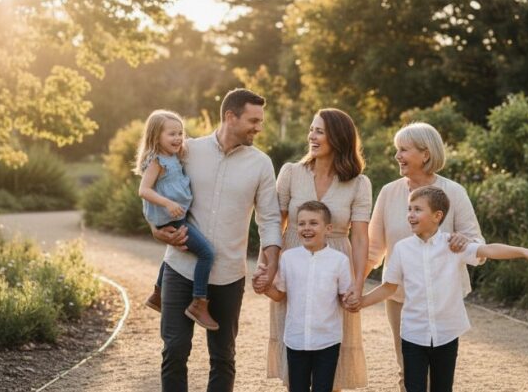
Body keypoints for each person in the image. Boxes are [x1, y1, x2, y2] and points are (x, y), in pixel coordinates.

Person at [351, 186, 528, 392]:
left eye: (418, 210)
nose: (410, 215)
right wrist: (360, 302)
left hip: (446, 334)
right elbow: (389, 287)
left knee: (442, 387)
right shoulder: (402, 249)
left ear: (437, 216)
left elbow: (488, 249)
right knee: (413, 387)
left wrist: (523, 252)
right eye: (409, 209)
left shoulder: (453, 245)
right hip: (413, 335)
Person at [151, 88, 283, 392]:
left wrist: (271, 262)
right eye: (253, 120)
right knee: (174, 350)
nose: (259, 127)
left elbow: (270, 219)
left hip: (228, 275)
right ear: (230, 116)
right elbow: (157, 192)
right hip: (181, 267)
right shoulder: (188, 150)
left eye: (260, 121)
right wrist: (155, 230)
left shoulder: (261, 164)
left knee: (223, 358)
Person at [255, 108, 371, 390]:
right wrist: (265, 267)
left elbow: (359, 238)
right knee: (293, 337)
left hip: (336, 264)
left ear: (338, 137)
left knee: (333, 351)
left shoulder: (359, 183)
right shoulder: (291, 173)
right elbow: (275, 224)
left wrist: (357, 285)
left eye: (319, 131)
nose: (312, 136)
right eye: (311, 129)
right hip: (292, 261)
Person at [366, 122, 484, 391]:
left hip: (442, 300)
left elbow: (477, 242)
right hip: (400, 299)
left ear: (425, 154)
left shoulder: (453, 192)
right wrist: (353, 286)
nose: (397, 156)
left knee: (439, 377)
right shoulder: (389, 192)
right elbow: (374, 249)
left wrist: (464, 240)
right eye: (397, 150)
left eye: (403, 150)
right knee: (408, 371)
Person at [254, 201, 354, 392]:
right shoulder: (288, 258)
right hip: (296, 339)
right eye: (301, 224)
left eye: (313, 223)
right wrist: (264, 287)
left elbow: (345, 297)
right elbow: (279, 295)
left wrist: (352, 301)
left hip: (327, 341)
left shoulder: (339, 261)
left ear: (328, 228)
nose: (306, 228)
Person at [135, 110, 218, 330]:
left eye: (180, 133)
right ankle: (199, 301)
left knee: (173, 251)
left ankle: (157, 293)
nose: (178, 138)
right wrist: (167, 203)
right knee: (207, 253)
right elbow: (143, 190)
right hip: (169, 217)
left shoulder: (173, 156)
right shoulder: (157, 161)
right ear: (156, 137)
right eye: (171, 134)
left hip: (175, 216)